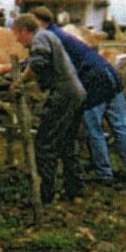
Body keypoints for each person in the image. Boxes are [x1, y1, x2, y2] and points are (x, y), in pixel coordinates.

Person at [28, 6, 126, 184]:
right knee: (120, 124)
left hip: (92, 80)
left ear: (38, 22)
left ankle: (104, 173)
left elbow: (40, 60)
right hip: (108, 73)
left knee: (93, 129)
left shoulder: (47, 37)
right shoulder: (61, 32)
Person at [11, 14, 85, 205]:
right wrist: (16, 77)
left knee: (45, 143)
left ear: (25, 31)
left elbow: (38, 63)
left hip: (63, 94)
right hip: (76, 93)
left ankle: (45, 193)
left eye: (17, 35)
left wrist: (19, 83)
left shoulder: (40, 38)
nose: (18, 40)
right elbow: (33, 64)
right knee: (67, 142)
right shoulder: (48, 36)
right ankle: (74, 190)